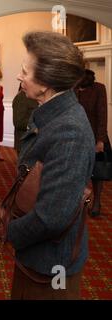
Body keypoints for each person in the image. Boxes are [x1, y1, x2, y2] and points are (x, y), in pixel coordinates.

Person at [0, 31, 94, 299]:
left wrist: (8, 232)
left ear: (46, 82)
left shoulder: (68, 130)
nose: (19, 76)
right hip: (37, 261)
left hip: (51, 270)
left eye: (25, 71)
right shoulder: (53, 114)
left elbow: (51, 218)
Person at [75, 69, 110, 218]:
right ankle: (78, 202)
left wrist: (100, 140)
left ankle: (97, 202)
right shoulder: (72, 88)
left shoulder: (99, 88)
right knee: (78, 172)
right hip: (76, 137)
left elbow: (103, 115)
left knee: (97, 172)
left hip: (96, 137)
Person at [12, 84, 38, 155]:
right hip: (24, 142)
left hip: (33, 141)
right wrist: (36, 126)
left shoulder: (33, 96)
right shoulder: (21, 97)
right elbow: (18, 122)